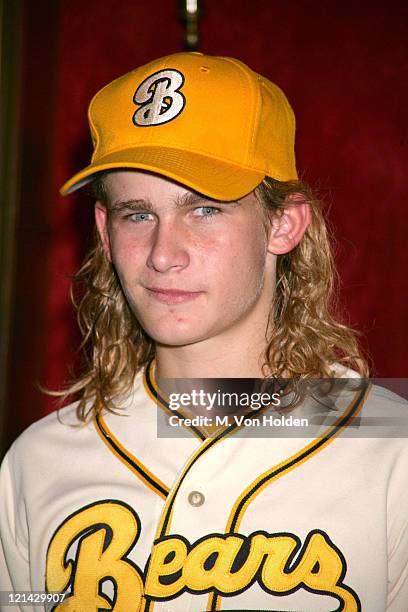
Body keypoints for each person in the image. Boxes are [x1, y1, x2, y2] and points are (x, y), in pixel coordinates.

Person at [0, 52, 407, 612]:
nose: (163, 255)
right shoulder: (37, 462)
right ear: (104, 229)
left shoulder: (393, 449)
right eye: (137, 214)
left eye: (205, 210)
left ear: (283, 223)